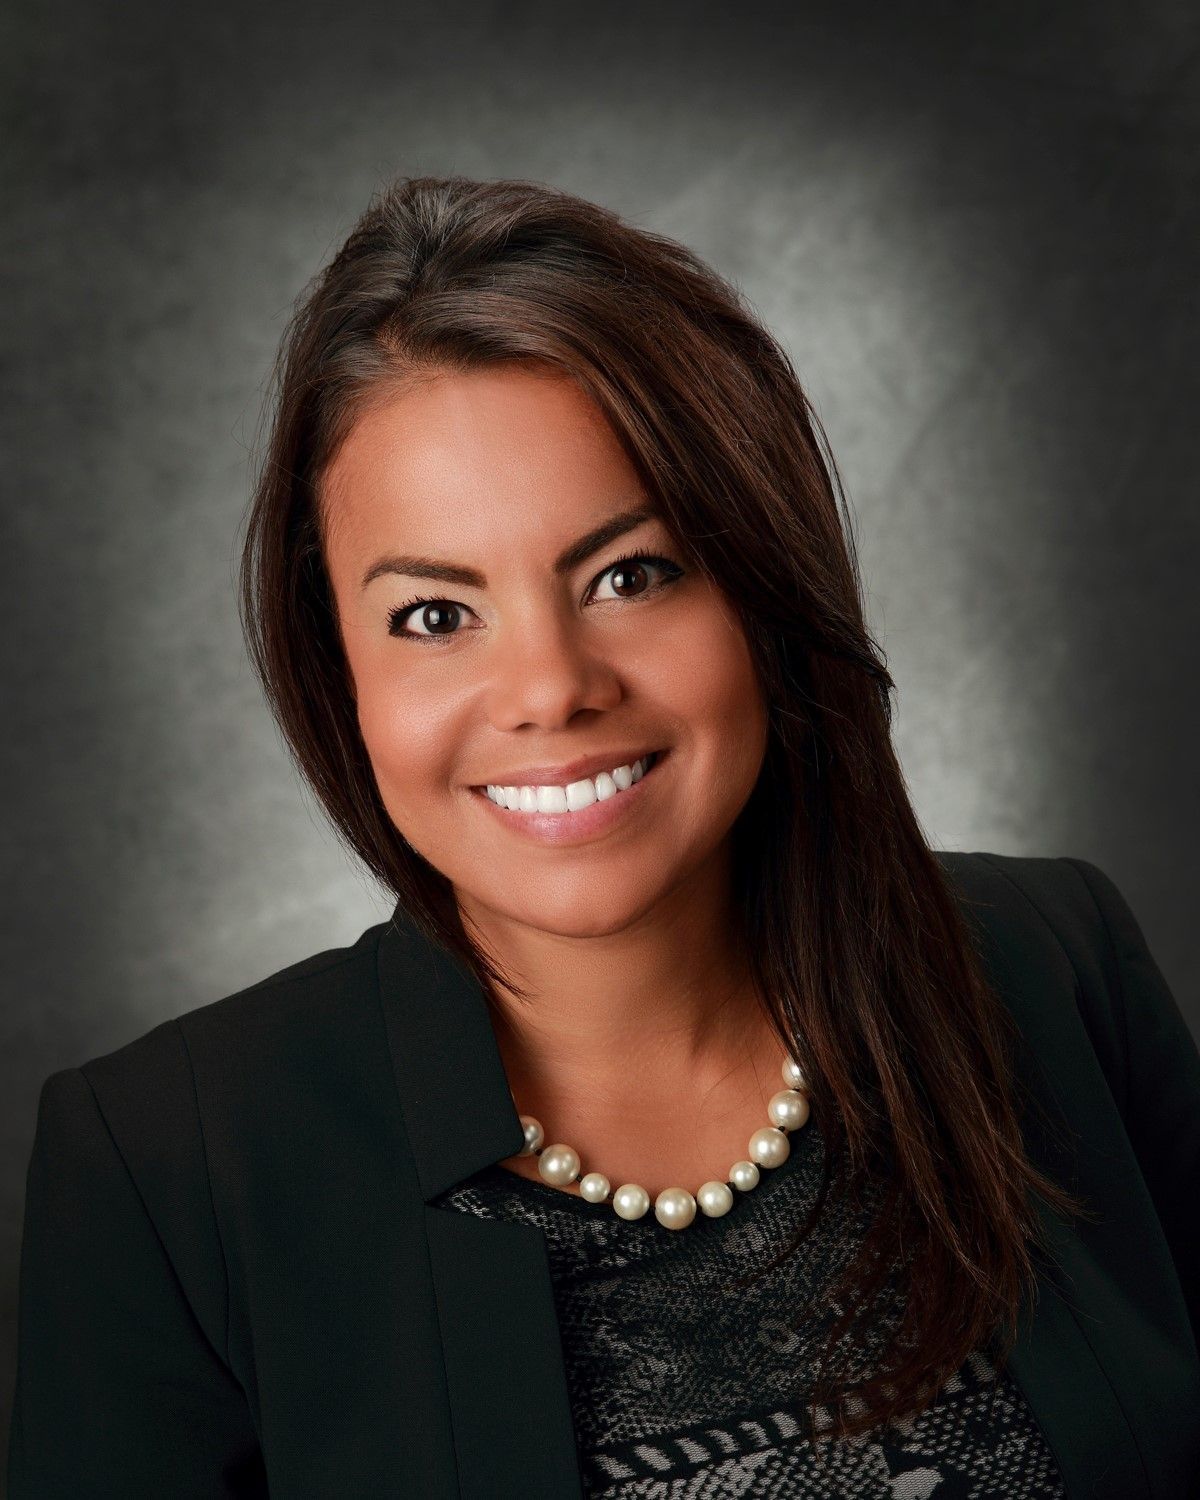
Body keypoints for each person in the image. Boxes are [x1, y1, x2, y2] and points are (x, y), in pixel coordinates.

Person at [7, 175, 1199, 1500]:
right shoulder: (169, 1169)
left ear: (764, 587)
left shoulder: (1057, 968)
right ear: (336, 659)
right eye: (435, 616)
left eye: (630, 576)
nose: (551, 688)